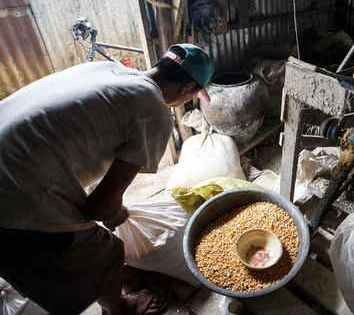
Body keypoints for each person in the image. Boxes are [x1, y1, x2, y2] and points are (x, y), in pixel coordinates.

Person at [0, 44, 215, 315]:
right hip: (11, 190)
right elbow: (99, 208)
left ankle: (125, 279)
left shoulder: (109, 69)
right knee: (106, 251)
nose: (187, 101)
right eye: (194, 94)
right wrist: (117, 213)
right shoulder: (154, 111)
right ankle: (120, 309)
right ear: (187, 88)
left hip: (10, 153)